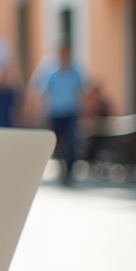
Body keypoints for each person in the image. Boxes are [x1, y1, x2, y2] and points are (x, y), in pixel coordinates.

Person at [37, 44, 84, 185]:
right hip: (55, 113)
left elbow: (81, 91)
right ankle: (61, 168)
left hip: (70, 112)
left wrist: (85, 111)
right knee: (57, 144)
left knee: (71, 143)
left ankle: (69, 172)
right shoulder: (51, 72)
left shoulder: (75, 72)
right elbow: (42, 92)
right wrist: (39, 111)